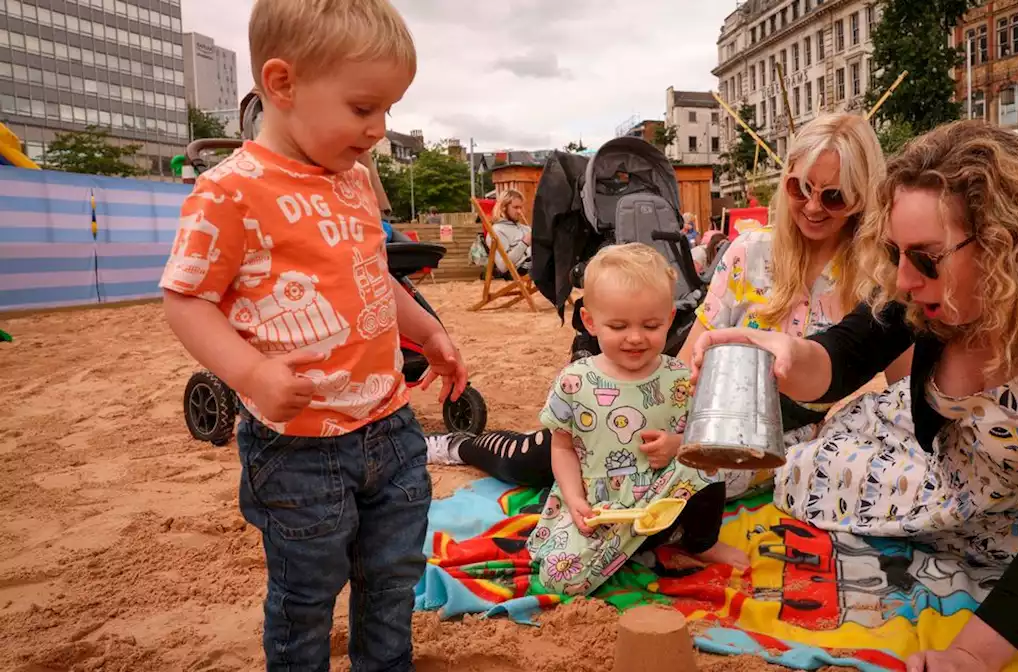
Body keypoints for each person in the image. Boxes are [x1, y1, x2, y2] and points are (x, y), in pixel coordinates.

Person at [690, 121, 1018, 670]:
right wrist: (788, 356)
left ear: (1004, 242)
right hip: (936, 456)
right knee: (798, 475)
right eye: (894, 253)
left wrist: (969, 655)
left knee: (1004, 561)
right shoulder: (918, 292)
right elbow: (845, 354)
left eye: (926, 257)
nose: (905, 280)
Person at [158, 1, 468, 669]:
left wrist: (429, 332)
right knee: (306, 595)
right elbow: (186, 300)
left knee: (392, 578)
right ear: (283, 84)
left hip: (390, 425)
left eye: (388, 110)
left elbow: (373, 277)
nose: (379, 129)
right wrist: (249, 374)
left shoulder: (354, 182)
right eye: (363, 109)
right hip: (296, 450)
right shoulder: (229, 192)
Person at [430, 114, 899, 503]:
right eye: (800, 188)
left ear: (862, 195)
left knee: (679, 488)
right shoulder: (751, 252)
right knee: (557, 451)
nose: (813, 207)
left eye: (833, 195)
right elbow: (685, 365)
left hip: (780, 443)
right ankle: (462, 445)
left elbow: (905, 390)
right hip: (698, 413)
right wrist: (651, 420)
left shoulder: (875, 283)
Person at [528, 243, 747, 595]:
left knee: (706, 465)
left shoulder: (679, 376)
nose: (635, 337)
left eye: (650, 325)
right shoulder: (574, 381)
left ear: (670, 319)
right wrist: (574, 499)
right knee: (560, 577)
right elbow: (563, 449)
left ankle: (700, 543)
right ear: (590, 321)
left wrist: (678, 446)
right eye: (618, 325)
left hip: (663, 500)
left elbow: (704, 435)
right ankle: (644, 553)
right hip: (602, 507)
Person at [489, 189, 532, 278]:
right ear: (503, 207)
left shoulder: (524, 228)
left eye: (520, 207)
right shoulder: (497, 231)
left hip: (534, 262)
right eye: (516, 207)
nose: (519, 211)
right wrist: (524, 243)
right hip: (519, 268)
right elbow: (503, 266)